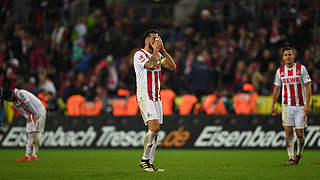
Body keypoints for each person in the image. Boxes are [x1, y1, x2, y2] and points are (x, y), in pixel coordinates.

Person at [134, 29, 176, 172]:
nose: (156, 41)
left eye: (158, 38)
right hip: (144, 95)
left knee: (156, 132)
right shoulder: (139, 54)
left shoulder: (158, 54)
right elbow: (151, 65)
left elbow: (172, 67)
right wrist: (156, 50)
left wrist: (162, 51)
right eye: (153, 38)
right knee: (154, 127)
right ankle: (144, 160)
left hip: (156, 97)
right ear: (146, 41)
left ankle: (150, 163)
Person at [271, 46, 312, 165]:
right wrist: (273, 105)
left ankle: (299, 154)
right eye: (286, 55)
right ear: (283, 58)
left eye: (290, 55)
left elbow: (308, 86)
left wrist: (307, 105)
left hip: (300, 106)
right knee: (288, 132)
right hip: (286, 106)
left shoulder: (301, 69)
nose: (288, 57)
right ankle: (290, 157)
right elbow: (277, 89)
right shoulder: (280, 71)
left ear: (294, 56)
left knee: (300, 134)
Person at [2, 88, 47, 161]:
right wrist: (27, 117)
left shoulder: (20, 94)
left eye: (9, 99)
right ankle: (27, 155)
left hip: (39, 111)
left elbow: (29, 103)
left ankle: (34, 156)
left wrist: (36, 114)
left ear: (12, 94)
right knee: (28, 135)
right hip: (31, 114)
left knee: (35, 134)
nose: (10, 100)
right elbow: (20, 109)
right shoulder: (14, 100)